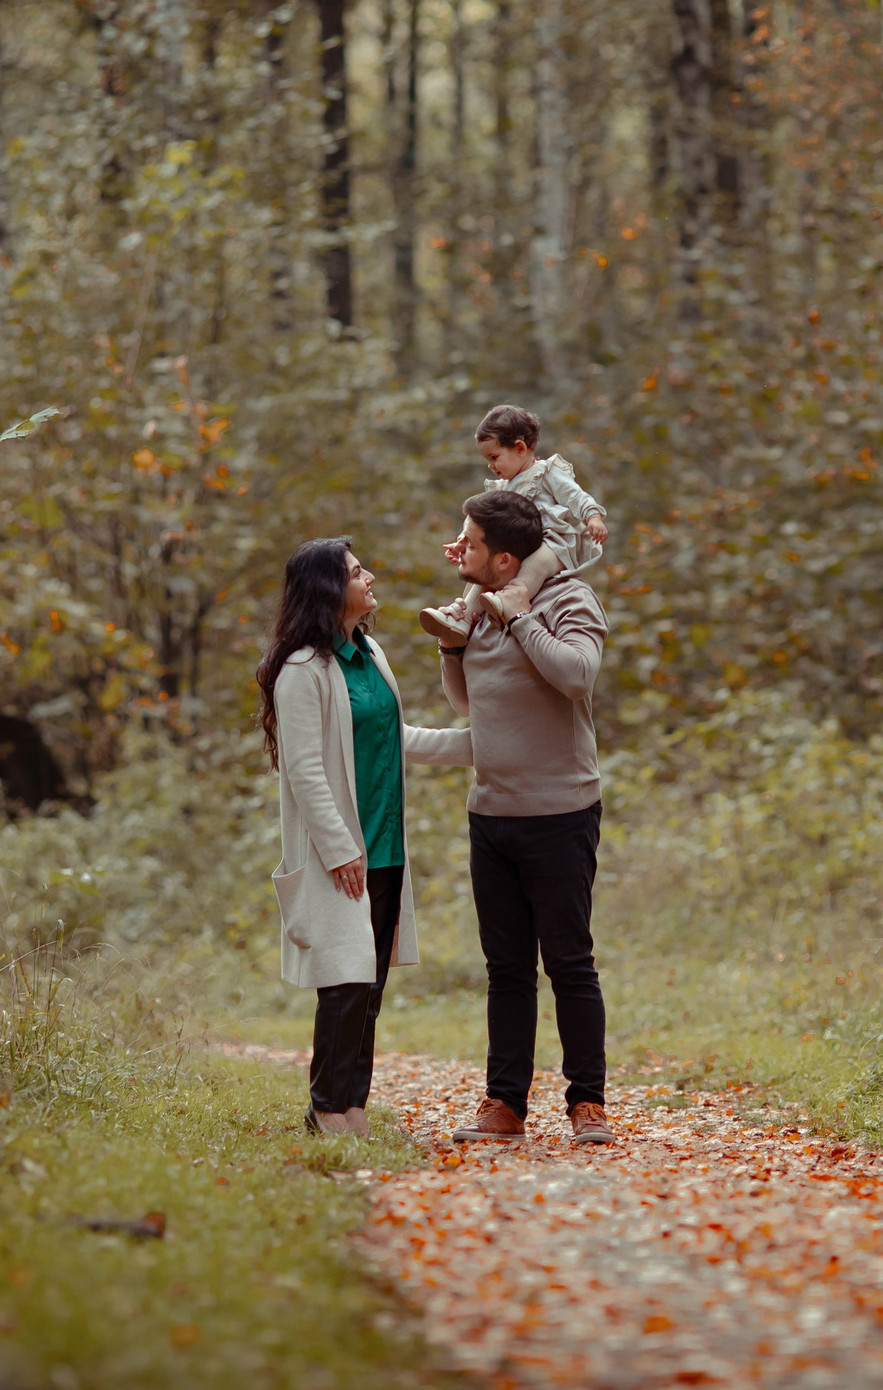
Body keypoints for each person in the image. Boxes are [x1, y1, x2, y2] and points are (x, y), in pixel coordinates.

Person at [258, 538, 472, 1136]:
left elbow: (391, 735)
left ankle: (353, 1105)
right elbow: (302, 768)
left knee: (370, 985)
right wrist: (338, 848)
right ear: (330, 588)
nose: (370, 576)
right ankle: (325, 1107)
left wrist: (476, 746)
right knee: (344, 982)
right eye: (357, 572)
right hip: (343, 855)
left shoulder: (369, 652)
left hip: (387, 846)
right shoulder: (303, 670)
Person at [434, 489, 615, 1145]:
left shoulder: (569, 599)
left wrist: (518, 619)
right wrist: (454, 647)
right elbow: (467, 705)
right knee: (505, 966)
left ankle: (587, 1101)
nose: (460, 550)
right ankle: (504, 1104)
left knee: (568, 960)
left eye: (471, 541)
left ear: (506, 559)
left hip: (561, 811)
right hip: (493, 812)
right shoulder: (479, 607)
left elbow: (576, 675)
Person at [419, 404, 609, 647]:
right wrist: (463, 543)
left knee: (537, 562)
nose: (491, 466)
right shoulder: (502, 488)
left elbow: (575, 496)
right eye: (488, 459)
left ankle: (512, 599)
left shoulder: (546, 473)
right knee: (484, 568)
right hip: (517, 546)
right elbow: (482, 524)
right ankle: (462, 617)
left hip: (552, 542)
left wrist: (593, 517)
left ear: (520, 448)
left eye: (494, 457)